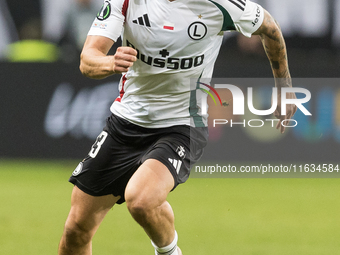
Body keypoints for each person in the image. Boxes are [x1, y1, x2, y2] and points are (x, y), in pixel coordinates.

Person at [58, 0, 297, 254]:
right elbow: (88, 59)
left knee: (140, 199)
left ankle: (170, 252)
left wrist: (284, 88)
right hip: (124, 125)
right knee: (76, 229)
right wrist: (110, 62)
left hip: (182, 125)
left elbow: (269, 28)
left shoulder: (221, 5)